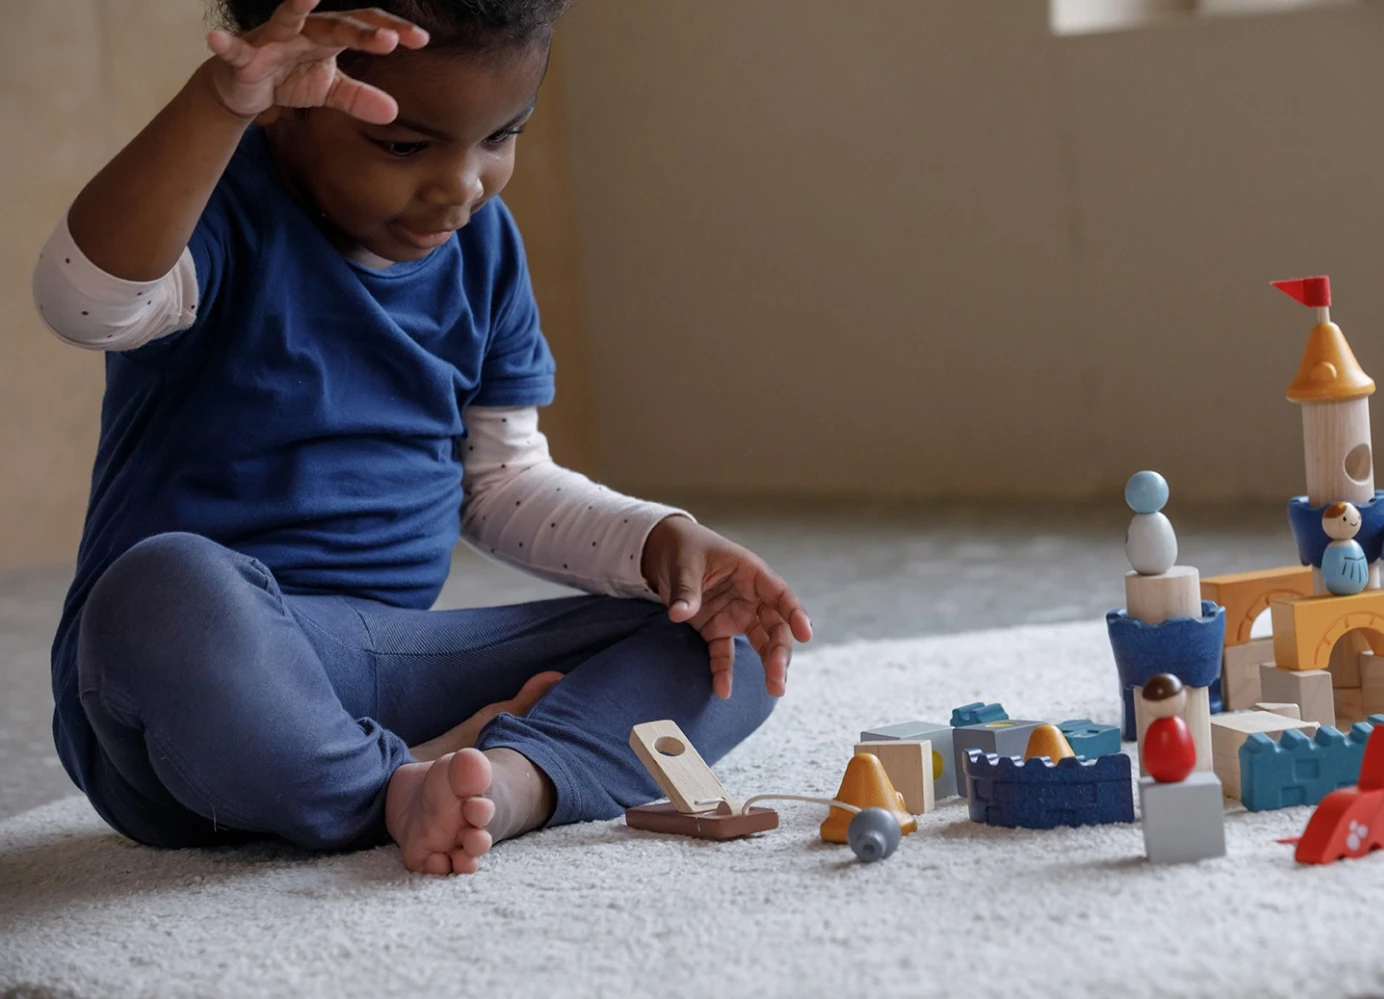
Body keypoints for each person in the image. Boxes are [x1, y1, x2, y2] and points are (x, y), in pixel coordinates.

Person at [31, 0, 812, 876]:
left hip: (381, 665)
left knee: (727, 639)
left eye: (501, 136)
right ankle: (385, 787)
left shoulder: (483, 249)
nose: (461, 187)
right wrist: (219, 100)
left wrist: (659, 541)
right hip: (190, 691)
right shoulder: (213, 209)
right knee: (159, 589)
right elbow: (85, 303)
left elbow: (501, 482)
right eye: (405, 146)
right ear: (288, 95)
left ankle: (513, 782)